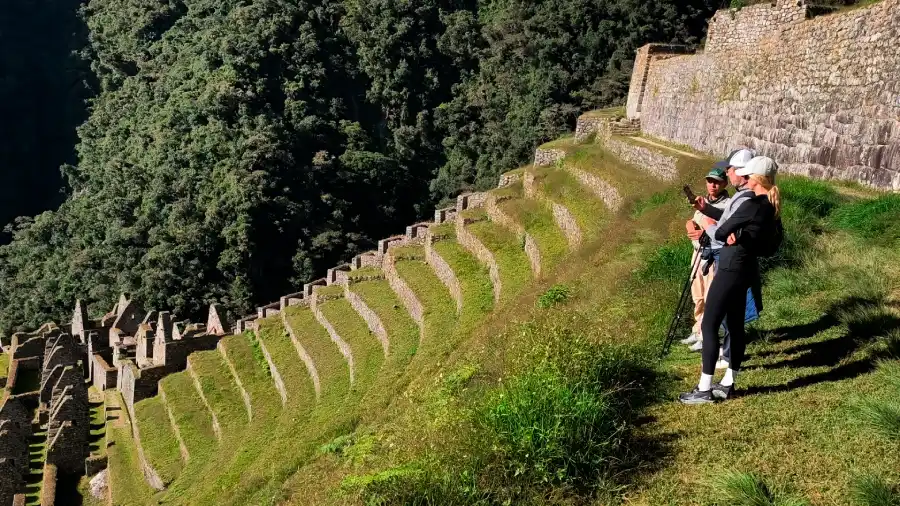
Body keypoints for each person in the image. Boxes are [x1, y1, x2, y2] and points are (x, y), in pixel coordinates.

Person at [679, 156, 781, 404]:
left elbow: (722, 232)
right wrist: (734, 233)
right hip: (746, 268)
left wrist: (707, 231)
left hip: (730, 267)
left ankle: (704, 388)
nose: (742, 179)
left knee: (710, 324)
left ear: (755, 179)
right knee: (735, 327)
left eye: (746, 175)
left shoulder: (751, 203)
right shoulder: (771, 206)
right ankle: (728, 383)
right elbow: (768, 244)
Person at [681, 166, 731, 369]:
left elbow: (720, 230)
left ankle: (705, 335)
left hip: (712, 255)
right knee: (698, 296)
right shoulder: (702, 202)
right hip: (698, 254)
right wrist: (689, 226)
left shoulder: (727, 205)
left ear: (724, 184)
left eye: (717, 182)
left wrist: (704, 232)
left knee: (710, 296)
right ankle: (697, 329)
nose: (713, 185)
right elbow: (694, 222)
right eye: (710, 181)